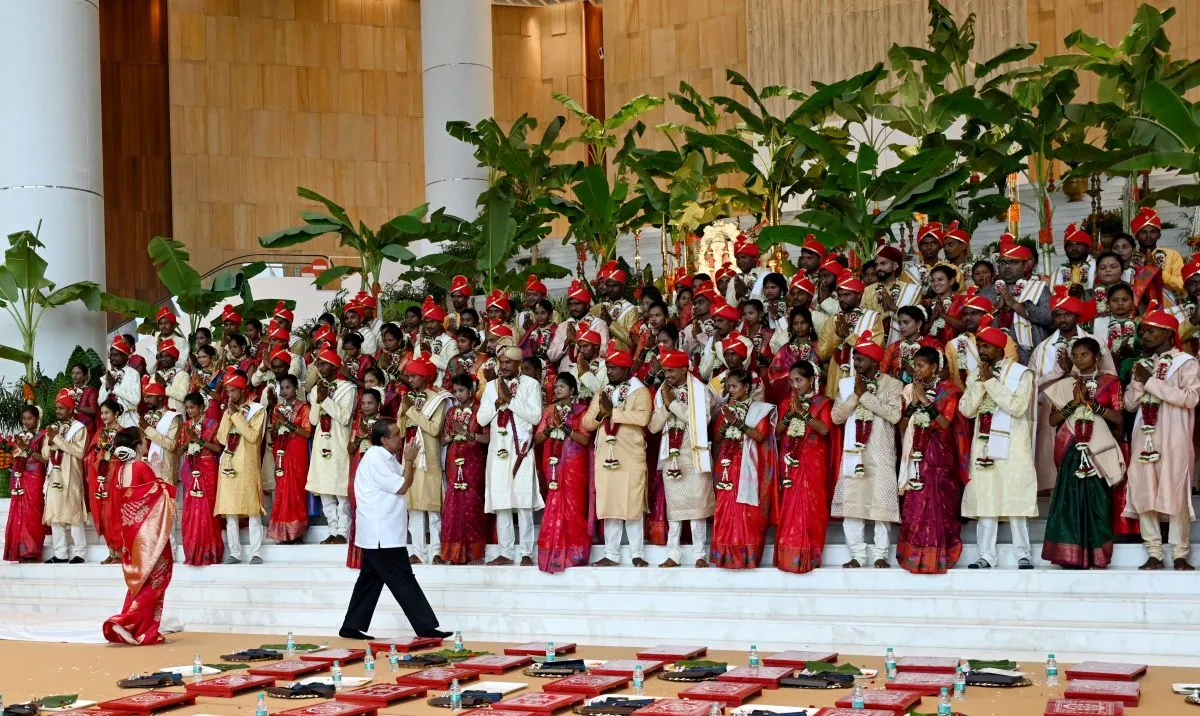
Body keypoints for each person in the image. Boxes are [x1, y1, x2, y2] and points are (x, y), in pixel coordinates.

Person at [339, 419, 451, 641]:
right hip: (381, 533)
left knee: (370, 580)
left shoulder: (385, 458)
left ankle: (351, 626)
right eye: (396, 434)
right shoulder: (375, 459)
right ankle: (426, 627)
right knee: (403, 579)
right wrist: (408, 460)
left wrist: (408, 462)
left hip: (383, 531)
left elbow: (403, 479)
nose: (401, 437)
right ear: (383, 439)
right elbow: (402, 486)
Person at [959, 318, 1037, 569]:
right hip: (983, 445)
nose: (981, 350)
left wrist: (991, 382)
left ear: (999, 349)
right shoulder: (976, 375)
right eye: (979, 345)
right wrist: (982, 382)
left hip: (1013, 445)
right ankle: (986, 556)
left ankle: (1023, 554)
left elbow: (1017, 407)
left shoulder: (1020, 374)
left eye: (985, 346)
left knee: (1016, 498)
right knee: (986, 498)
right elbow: (967, 410)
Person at [1041, 338, 1126, 569]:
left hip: (1097, 448)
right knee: (1069, 502)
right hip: (1071, 449)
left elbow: (1118, 418)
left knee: (1097, 501)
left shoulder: (1110, 382)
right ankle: (1069, 556)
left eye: (1084, 355)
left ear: (1097, 357)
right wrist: (1074, 404)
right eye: (1076, 355)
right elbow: (1052, 420)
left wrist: (1092, 405)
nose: (1079, 359)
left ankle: (1096, 556)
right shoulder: (1065, 384)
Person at [1124, 308, 1198, 570]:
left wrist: (1152, 382)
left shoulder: (1186, 362)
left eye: (1150, 330)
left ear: (1168, 333)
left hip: (1174, 434)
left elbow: (1190, 398)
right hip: (1144, 435)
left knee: (1176, 488)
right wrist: (1138, 381)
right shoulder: (1143, 365)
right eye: (1142, 331)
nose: (1144, 335)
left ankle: (1180, 553)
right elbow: (1130, 405)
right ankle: (1153, 551)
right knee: (1145, 489)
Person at [1030, 287, 1115, 491]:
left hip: (1088, 406)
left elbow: (1110, 376)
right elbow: (1032, 384)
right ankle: (1053, 488)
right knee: (1052, 453)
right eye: (1057, 314)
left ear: (1076, 315)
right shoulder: (1043, 348)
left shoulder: (1095, 343)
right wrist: (1059, 372)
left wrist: (1074, 373)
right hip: (1053, 408)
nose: (1062, 319)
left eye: (1067, 313)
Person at [831, 331, 903, 568]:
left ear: (874, 360)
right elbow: (836, 417)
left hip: (880, 452)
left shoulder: (893, 384)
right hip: (854, 453)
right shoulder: (847, 385)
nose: (855, 363)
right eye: (854, 358)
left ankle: (881, 555)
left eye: (860, 358)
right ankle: (857, 556)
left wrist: (866, 398)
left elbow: (894, 415)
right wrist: (855, 396)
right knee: (853, 505)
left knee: (880, 505)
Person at [896, 347, 969, 574]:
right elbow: (901, 425)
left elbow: (945, 424)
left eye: (921, 365)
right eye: (914, 365)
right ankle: (914, 553)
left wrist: (924, 401)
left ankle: (940, 553)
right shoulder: (912, 390)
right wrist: (915, 400)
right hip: (916, 452)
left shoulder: (949, 391)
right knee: (915, 501)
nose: (915, 370)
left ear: (934, 367)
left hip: (940, 455)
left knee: (938, 501)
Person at [102, 429, 176, 646]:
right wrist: (161, 478)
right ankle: (126, 621)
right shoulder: (141, 466)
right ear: (136, 445)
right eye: (144, 441)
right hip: (149, 534)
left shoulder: (120, 471)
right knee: (155, 581)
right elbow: (158, 494)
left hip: (131, 533)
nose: (146, 444)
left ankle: (136, 628)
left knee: (140, 583)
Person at [583, 343, 652, 567]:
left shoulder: (640, 391)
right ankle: (611, 554)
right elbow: (587, 422)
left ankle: (637, 553)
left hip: (631, 455)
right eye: (608, 367)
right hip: (606, 454)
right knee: (610, 503)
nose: (609, 372)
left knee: (632, 503)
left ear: (625, 369)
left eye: (613, 368)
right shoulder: (602, 392)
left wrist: (611, 412)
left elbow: (643, 419)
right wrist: (601, 413)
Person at [477, 346, 545, 565]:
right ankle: (506, 552)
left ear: (518, 364)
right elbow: (481, 420)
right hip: (498, 450)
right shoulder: (490, 387)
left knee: (523, 500)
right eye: (501, 362)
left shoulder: (531, 384)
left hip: (521, 449)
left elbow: (535, 417)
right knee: (501, 499)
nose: (503, 366)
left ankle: (526, 552)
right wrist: (499, 401)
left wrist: (511, 401)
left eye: (508, 362)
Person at [649, 349, 716, 568]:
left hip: (694, 454)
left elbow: (701, 421)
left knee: (698, 507)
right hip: (673, 456)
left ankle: (699, 555)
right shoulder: (662, 391)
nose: (666, 375)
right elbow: (653, 426)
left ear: (683, 369)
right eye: (665, 371)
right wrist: (666, 407)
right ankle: (673, 554)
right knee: (674, 509)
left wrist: (673, 405)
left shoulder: (700, 391)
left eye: (671, 371)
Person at [709, 369, 777, 569]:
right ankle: (724, 555)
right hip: (726, 465)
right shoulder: (726, 408)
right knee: (724, 506)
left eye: (734, 386)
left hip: (747, 465)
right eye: (728, 387)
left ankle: (746, 556)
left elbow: (759, 436)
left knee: (746, 510)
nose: (730, 391)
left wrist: (736, 421)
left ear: (746, 387)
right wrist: (726, 422)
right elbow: (718, 438)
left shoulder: (760, 409)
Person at [774, 361, 833, 573]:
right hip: (790, 458)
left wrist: (804, 413)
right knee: (790, 504)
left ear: (812, 380)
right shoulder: (785, 403)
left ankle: (810, 553)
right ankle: (790, 553)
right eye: (791, 381)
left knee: (812, 505)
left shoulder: (823, 403)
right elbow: (778, 431)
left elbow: (824, 430)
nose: (795, 385)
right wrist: (791, 412)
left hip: (813, 459)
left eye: (799, 380)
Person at [535, 373, 593, 573]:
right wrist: (551, 428)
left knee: (573, 507)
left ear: (572, 390)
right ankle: (554, 554)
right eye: (556, 386)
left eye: (561, 386)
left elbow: (585, 440)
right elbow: (538, 439)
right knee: (554, 503)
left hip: (574, 464)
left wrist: (566, 429)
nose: (557, 389)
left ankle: (574, 554)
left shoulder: (581, 411)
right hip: (553, 463)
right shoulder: (550, 411)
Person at [399, 357, 452, 565]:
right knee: (414, 508)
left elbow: (434, 429)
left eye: (413, 376)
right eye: (409, 375)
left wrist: (411, 410)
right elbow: (402, 431)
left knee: (432, 507)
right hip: (411, 455)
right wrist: (404, 413)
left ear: (424, 377)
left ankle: (437, 551)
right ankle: (419, 552)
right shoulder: (408, 398)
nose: (409, 379)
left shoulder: (436, 399)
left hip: (429, 458)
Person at [215, 370, 267, 564]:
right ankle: (234, 553)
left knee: (253, 509)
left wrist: (236, 415)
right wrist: (229, 416)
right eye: (227, 392)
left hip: (247, 463)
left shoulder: (257, 410)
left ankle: (257, 552)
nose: (229, 396)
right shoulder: (229, 410)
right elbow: (221, 438)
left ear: (242, 389)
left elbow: (253, 437)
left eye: (233, 391)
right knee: (230, 510)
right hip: (228, 462)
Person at [308, 348, 358, 545]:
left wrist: (325, 399)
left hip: (339, 441)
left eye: (324, 364)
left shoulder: (348, 388)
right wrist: (318, 399)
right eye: (318, 364)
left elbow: (345, 418)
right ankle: (332, 529)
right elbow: (313, 421)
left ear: (335, 365)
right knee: (325, 487)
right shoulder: (315, 389)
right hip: (322, 440)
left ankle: (343, 532)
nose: (320, 368)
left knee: (340, 487)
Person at [440, 374, 488, 565]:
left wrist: (468, 434)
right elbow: (443, 440)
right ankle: (453, 553)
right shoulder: (451, 413)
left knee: (472, 503)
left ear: (471, 390)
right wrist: (452, 435)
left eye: (461, 391)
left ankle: (474, 553)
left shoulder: (479, 410)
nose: (457, 395)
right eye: (455, 391)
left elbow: (487, 438)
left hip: (473, 461)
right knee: (453, 506)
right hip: (454, 459)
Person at [817, 269, 884, 397]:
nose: (842, 299)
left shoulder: (872, 318)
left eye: (846, 295)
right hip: (835, 380)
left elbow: (876, 351)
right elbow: (821, 354)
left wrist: (848, 336)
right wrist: (837, 336)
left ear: (858, 295)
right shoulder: (833, 320)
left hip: (862, 381)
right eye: (840, 295)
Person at [986, 236, 1051, 363]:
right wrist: (996, 308)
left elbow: (1049, 317)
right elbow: (974, 322)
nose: (1007, 267)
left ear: (1026, 265)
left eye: (1014, 262)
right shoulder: (988, 291)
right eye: (1003, 263)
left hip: (1030, 355)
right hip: (994, 357)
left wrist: (1015, 305)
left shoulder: (1038, 288)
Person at [42, 389, 89, 564]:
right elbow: (46, 455)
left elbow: (79, 452)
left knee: (74, 512)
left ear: (71, 409)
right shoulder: (54, 428)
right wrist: (50, 440)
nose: (58, 411)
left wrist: (59, 440)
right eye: (57, 408)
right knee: (55, 513)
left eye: (62, 408)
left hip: (71, 475)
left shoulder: (80, 429)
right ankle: (60, 553)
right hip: (54, 474)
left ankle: (80, 552)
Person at [179, 392, 224, 565]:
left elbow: (218, 448)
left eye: (192, 407)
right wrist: (187, 442)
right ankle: (193, 551)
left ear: (202, 407)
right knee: (191, 511)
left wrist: (200, 441)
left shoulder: (212, 424)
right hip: (191, 468)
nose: (189, 411)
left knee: (207, 509)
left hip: (208, 466)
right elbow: (180, 450)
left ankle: (209, 553)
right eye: (187, 408)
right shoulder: (186, 425)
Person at [267, 375, 311, 545]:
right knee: (282, 489)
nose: (284, 391)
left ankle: (297, 533)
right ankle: (283, 533)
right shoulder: (278, 408)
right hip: (281, 451)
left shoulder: (304, 407)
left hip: (297, 451)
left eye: (288, 388)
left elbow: (307, 433)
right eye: (282, 388)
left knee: (296, 489)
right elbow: (273, 433)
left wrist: (288, 424)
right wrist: (278, 427)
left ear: (296, 389)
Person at [945, 290, 1017, 389]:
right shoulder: (953, 345)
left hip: (999, 395)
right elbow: (953, 379)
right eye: (965, 314)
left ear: (986, 315)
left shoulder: (1003, 338)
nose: (968, 317)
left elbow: (1011, 370)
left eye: (974, 313)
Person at [4, 406, 47, 563]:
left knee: (33, 515)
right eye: (24, 419)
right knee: (19, 514)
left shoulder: (43, 435)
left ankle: (32, 552)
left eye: (30, 418)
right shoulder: (19, 436)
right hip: (20, 478)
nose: (26, 422)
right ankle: (19, 552)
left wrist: (26, 449)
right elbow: (16, 458)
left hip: (35, 478)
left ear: (37, 419)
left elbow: (45, 459)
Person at [85, 399, 124, 563]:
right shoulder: (100, 432)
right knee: (102, 513)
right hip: (100, 478)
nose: (104, 416)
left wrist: (112, 451)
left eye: (107, 412)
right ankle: (111, 552)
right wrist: (98, 452)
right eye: (102, 413)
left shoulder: (123, 432)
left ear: (116, 414)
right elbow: (88, 456)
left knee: (114, 513)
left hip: (115, 476)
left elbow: (128, 455)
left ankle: (121, 552)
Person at [547, 279, 610, 372]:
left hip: (590, 373)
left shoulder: (599, 324)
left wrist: (575, 341)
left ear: (587, 305)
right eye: (570, 304)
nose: (573, 308)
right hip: (566, 375)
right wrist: (567, 341)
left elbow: (604, 352)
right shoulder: (563, 326)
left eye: (577, 304)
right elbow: (552, 356)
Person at [864, 244, 922, 343]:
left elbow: (916, 322)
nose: (878, 268)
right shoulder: (868, 290)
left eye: (883, 264)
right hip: (874, 344)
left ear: (895, 265)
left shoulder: (911, 290)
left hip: (901, 345)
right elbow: (864, 320)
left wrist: (893, 307)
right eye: (877, 264)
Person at [766, 306, 818, 406]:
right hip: (790, 399)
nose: (799, 327)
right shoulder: (786, 349)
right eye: (795, 323)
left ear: (809, 324)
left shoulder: (817, 347)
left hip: (814, 396)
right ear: (791, 326)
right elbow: (773, 373)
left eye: (803, 322)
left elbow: (825, 371)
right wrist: (783, 372)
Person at [1131, 207, 1184, 301]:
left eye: (1153, 232)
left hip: (1168, 306)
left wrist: (1158, 271)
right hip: (1139, 307)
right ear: (1136, 236)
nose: (1148, 236)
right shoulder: (1130, 258)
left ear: (1159, 235)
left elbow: (1181, 284)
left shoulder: (1172, 255)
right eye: (1144, 232)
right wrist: (1148, 272)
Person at [141, 382, 182, 487]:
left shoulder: (173, 417)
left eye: (149, 397)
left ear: (160, 397)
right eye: (145, 397)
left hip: (164, 468)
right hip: (145, 466)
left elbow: (171, 445)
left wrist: (148, 429)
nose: (146, 400)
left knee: (165, 501)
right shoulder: (145, 418)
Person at [592, 261, 639, 352]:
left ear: (623, 286)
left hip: (620, 357)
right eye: (608, 285)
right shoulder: (598, 308)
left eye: (615, 285)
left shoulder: (631, 309)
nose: (610, 289)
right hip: (599, 357)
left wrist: (610, 322)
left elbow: (631, 341)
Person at [413, 296, 458, 386]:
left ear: (440, 322)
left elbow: (453, 371)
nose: (429, 325)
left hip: (444, 389)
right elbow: (415, 370)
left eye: (432, 322)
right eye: (426, 322)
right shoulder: (421, 345)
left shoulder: (450, 343)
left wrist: (430, 355)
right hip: (424, 390)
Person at [101, 335, 142, 428]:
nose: (112, 358)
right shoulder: (108, 376)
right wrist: (107, 388)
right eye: (111, 355)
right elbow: (100, 402)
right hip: (111, 423)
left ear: (124, 356)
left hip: (129, 421)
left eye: (116, 355)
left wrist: (114, 387)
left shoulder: (133, 374)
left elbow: (136, 400)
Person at [1051, 224, 1098, 290]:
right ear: (1065, 250)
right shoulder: (1058, 272)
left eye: (1078, 244)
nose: (1074, 248)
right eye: (1070, 245)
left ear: (1088, 248)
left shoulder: (1098, 268)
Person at [154, 339, 191, 414]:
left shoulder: (183, 374)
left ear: (174, 358)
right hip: (157, 415)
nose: (163, 359)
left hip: (176, 415)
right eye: (162, 356)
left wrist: (164, 386)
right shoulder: (156, 375)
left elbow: (184, 396)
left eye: (167, 356)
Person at [65, 363, 99, 440]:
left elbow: (93, 410)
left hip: (86, 427)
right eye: (73, 373)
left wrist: (77, 407)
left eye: (78, 373)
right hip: (70, 426)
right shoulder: (68, 390)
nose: (74, 376)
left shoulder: (91, 391)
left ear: (85, 376)